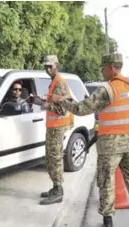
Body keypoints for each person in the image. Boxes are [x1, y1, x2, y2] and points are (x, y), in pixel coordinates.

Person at [50, 53, 129, 227]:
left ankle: (108, 223)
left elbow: (81, 109)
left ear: (112, 68)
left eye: (103, 67)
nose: (102, 71)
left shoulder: (107, 89)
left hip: (110, 146)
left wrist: (61, 100)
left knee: (107, 182)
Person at [30, 55, 74, 205]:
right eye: (46, 66)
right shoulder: (54, 82)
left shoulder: (60, 82)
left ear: (57, 65)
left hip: (57, 128)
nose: (48, 69)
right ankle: (55, 187)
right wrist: (41, 101)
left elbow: (62, 109)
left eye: (51, 66)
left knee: (55, 159)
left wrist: (41, 104)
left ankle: (58, 191)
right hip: (53, 128)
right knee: (50, 158)